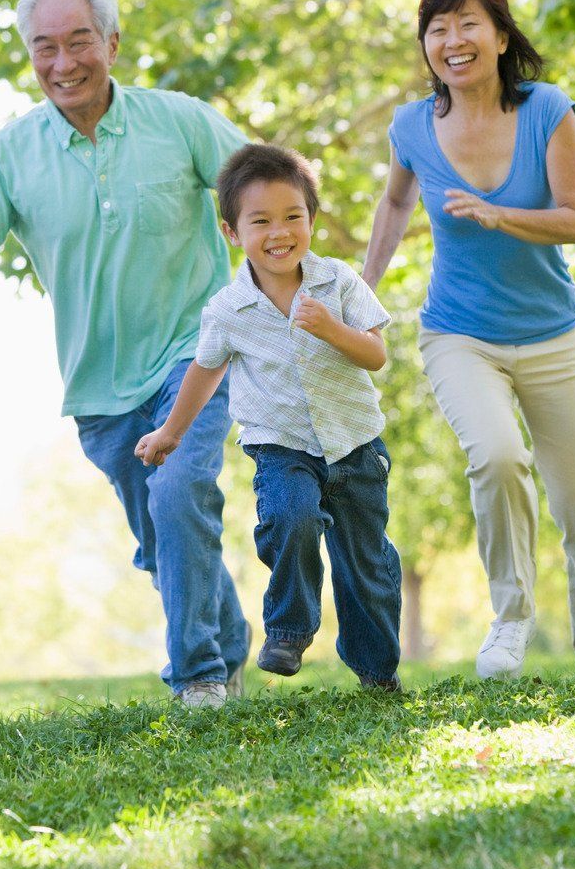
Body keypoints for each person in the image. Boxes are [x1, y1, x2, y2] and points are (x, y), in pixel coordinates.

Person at [0, 0, 250, 708]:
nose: (63, 63)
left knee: (179, 492)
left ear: (111, 42)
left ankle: (199, 677)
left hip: (195, 352)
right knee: (162, 536)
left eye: (79, 42)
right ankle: (229, 639)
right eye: (44, 48)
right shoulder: (7, 156)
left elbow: (268, 188)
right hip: (99, 384)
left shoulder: (180, 121)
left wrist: (291, 294)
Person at [362, 0, 575, 679]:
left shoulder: (547, 110)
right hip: (460, 332)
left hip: (552, 334)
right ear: (426, 45)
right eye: (437, 29)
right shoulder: (411, 127)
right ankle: (511, 618)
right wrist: (364, 286)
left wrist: (501, 214)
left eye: (467, 24)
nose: (452, 41)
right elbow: (396, 204)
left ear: (499, 34)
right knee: (495, 455)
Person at [136, 145, 403, 691]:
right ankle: (287, 629)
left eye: (292, 217)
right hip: (281, 445)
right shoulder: (226, 310)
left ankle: (377, 673)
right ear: (233, 232)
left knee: (366, 567)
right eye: (260, 221)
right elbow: (205, 373)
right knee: (290, 516)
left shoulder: (340, 283)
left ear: (310, 219)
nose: (279, 232)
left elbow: (376, 355)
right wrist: (170, 432)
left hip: (354, 443)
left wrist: (332, 329)